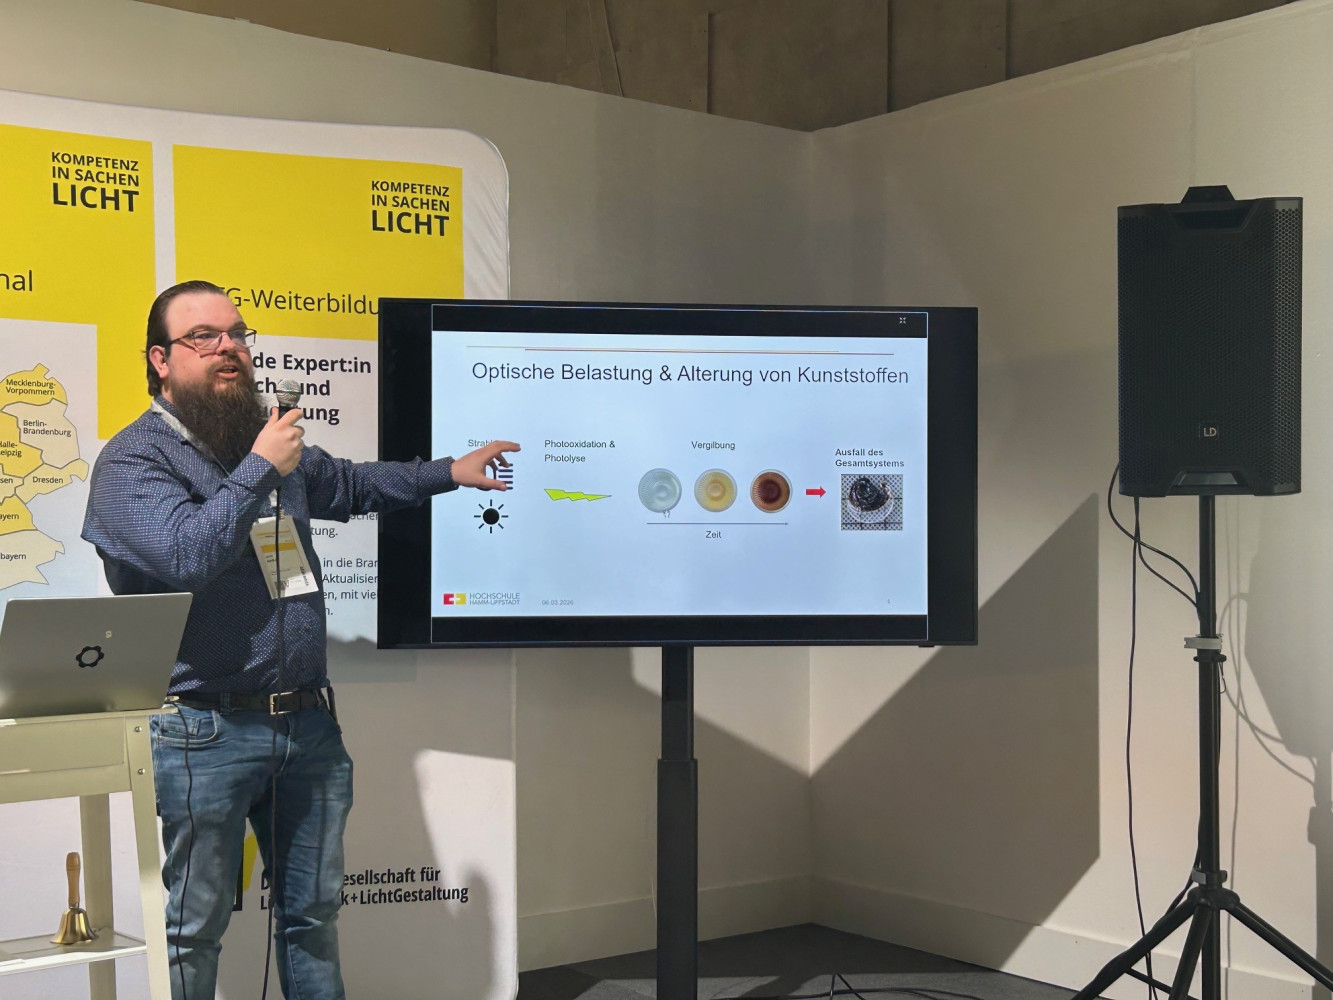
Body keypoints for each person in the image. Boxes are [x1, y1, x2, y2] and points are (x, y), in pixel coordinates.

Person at [81, 280, 518, 1000]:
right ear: (160, 360)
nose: (228, 348)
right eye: (203, 337)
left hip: (307, 724)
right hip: (204, 730)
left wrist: (448, 473)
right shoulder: (134, 460)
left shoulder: (261, 441)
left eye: (236, 333)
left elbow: (350, 484)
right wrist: (261, 467)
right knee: (192, 928)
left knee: (312, 919)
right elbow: (186, 555)